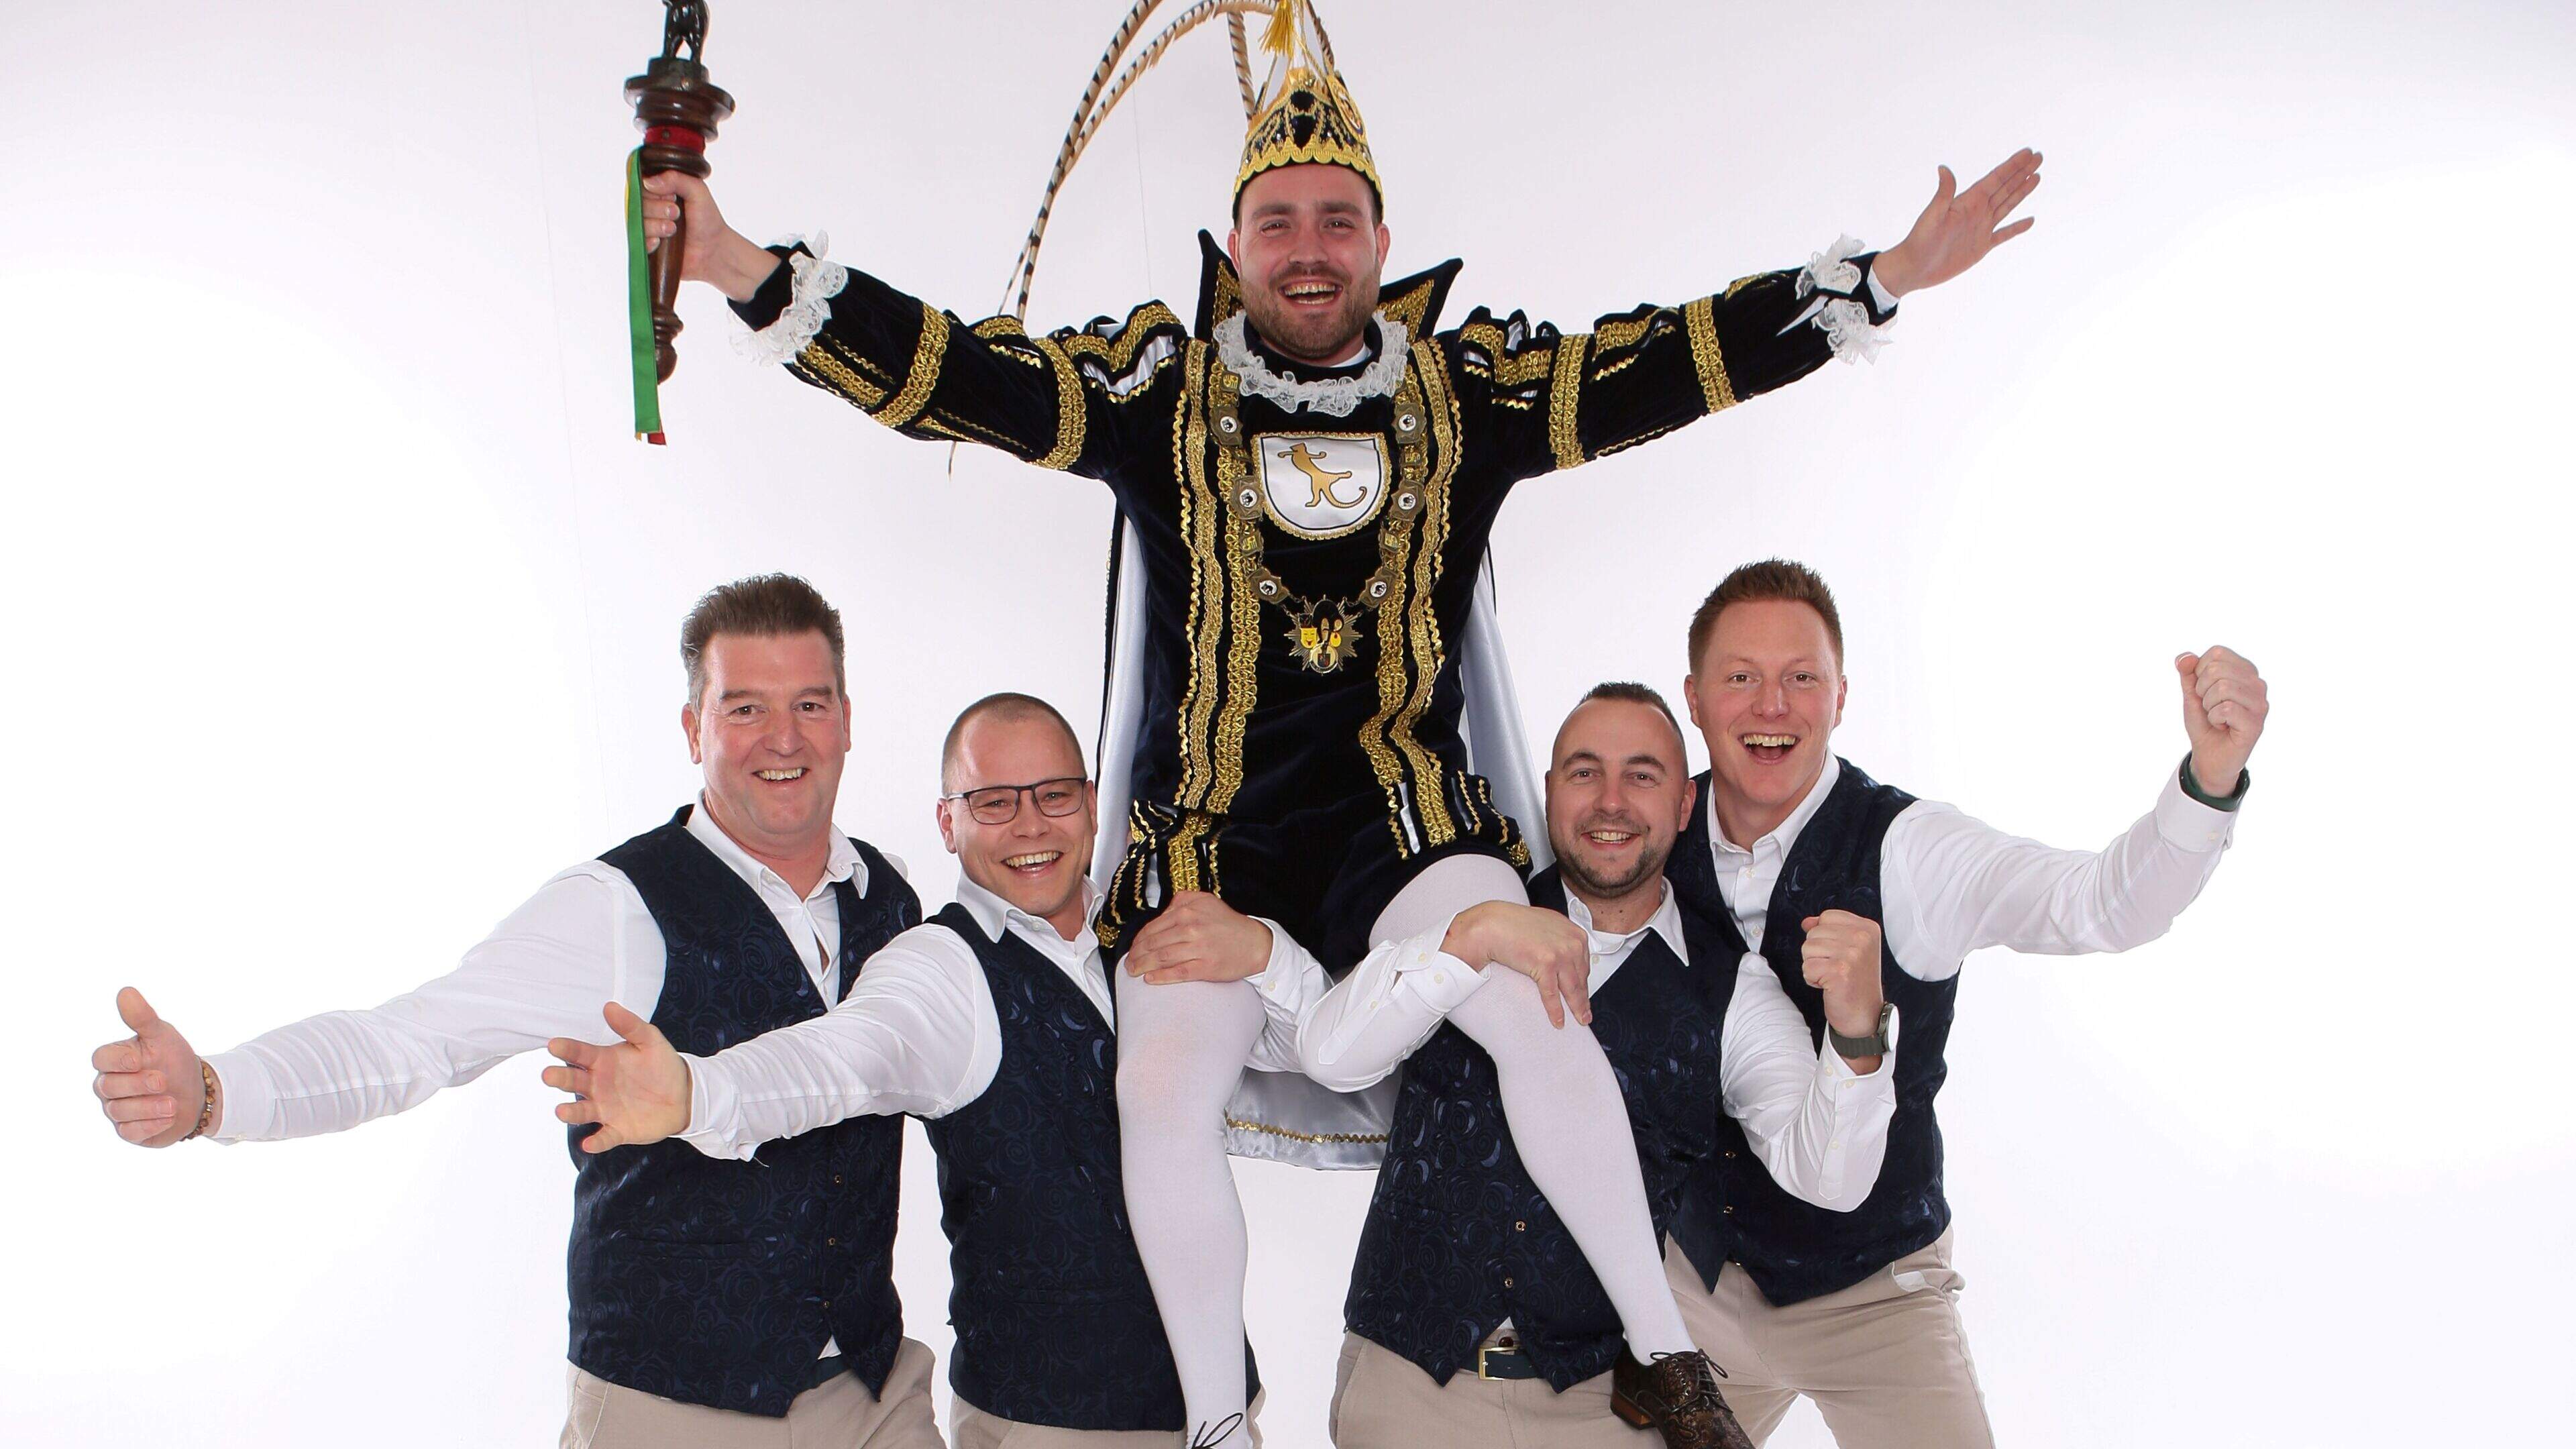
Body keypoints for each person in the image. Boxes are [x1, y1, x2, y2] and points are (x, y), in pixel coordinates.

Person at [638, 5, 2040, 1441]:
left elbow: (1667, 364)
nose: (1308, 248)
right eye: (1279, 222)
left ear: (1379, 242)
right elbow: (961, 376)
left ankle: (1666, 1357)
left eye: (1336, 221)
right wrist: (737, 261)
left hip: (1409, 829)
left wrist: (1877, 282)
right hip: (1210, 842)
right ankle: (1219, 1426)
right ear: (1237, 244)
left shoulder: (1467, 393)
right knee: (1158, 1091)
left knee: (1540, 1002)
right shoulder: (1158, 392)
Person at [86, 575, 941, 1449]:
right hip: (671, 1408)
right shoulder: (614, 906)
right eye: (746, 708)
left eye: (809, 704)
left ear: (846, 720)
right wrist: (214, 1094)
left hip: (871, 1393)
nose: (784, 738)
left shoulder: (891, 898)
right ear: (694, 729)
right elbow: (417, 1039)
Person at [543, 692, 1330, 1449]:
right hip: (1047, 1426)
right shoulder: (940, 968)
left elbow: (1331, 1055)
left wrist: (1267, 953)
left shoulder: (1159, 928)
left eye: (1054, 795)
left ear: (1093, 806)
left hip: (1222, 1417)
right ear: (948, 823)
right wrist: (697, 1091)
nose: (1030, 824)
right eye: (993, 802)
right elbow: (840, 1060)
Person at [1660, 559, 2267, 1447]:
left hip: (1873, 1299)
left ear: (1841, 697)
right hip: (1698, 1293)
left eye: (1803, 678)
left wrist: (2208, 781)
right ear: (1695, 697)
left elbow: (2101, 905)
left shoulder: (1912, 851)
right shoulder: (1650, 826)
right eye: (1742, 677)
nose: (1773, 705)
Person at [1301, 683, 1902, 1448]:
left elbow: (1830, 1179)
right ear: (1549, 790)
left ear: (1685, 804)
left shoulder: (1732, 988)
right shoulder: (1459, 908)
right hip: (1411, 1390)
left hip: (1597, 1411)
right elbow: (1336, 1061)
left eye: (1641, 776)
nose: (1610, 801)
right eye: (1584, 772)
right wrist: (1467, 939)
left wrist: (1855, 1031)